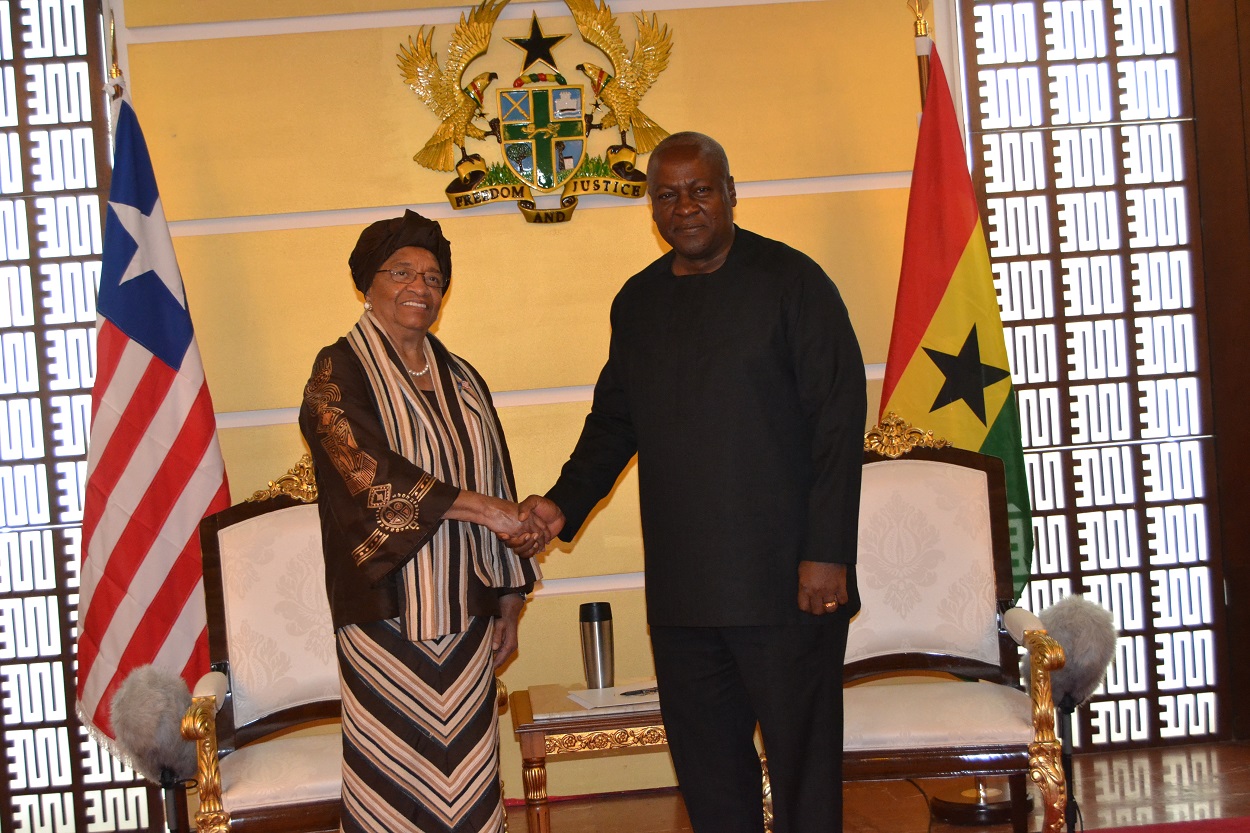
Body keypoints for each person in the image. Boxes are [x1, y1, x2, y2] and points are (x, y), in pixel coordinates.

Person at [521, 132, 866, 833]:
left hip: (789, 585)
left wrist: (828, 551)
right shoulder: (638, 303)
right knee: (710, 779)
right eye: (668, 195)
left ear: (731, 193)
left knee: (804, 776)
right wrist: (560, 504)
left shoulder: (794, 283)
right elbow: (614, 422)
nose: (686, 207)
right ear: (652, 209)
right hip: (683, 594)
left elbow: (839, 420)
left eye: (701, 189)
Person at [298, 210, 545, 833]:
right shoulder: (337, 371)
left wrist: (510, 602)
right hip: (384, 615)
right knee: (394, 781)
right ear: (367, 284)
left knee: (467, 779)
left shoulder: (463, 379)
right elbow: (369, 476)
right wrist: (484, 509)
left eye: (434, 277)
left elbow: (499, 481)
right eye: (402, 272)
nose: (420, 287)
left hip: (465, 613)